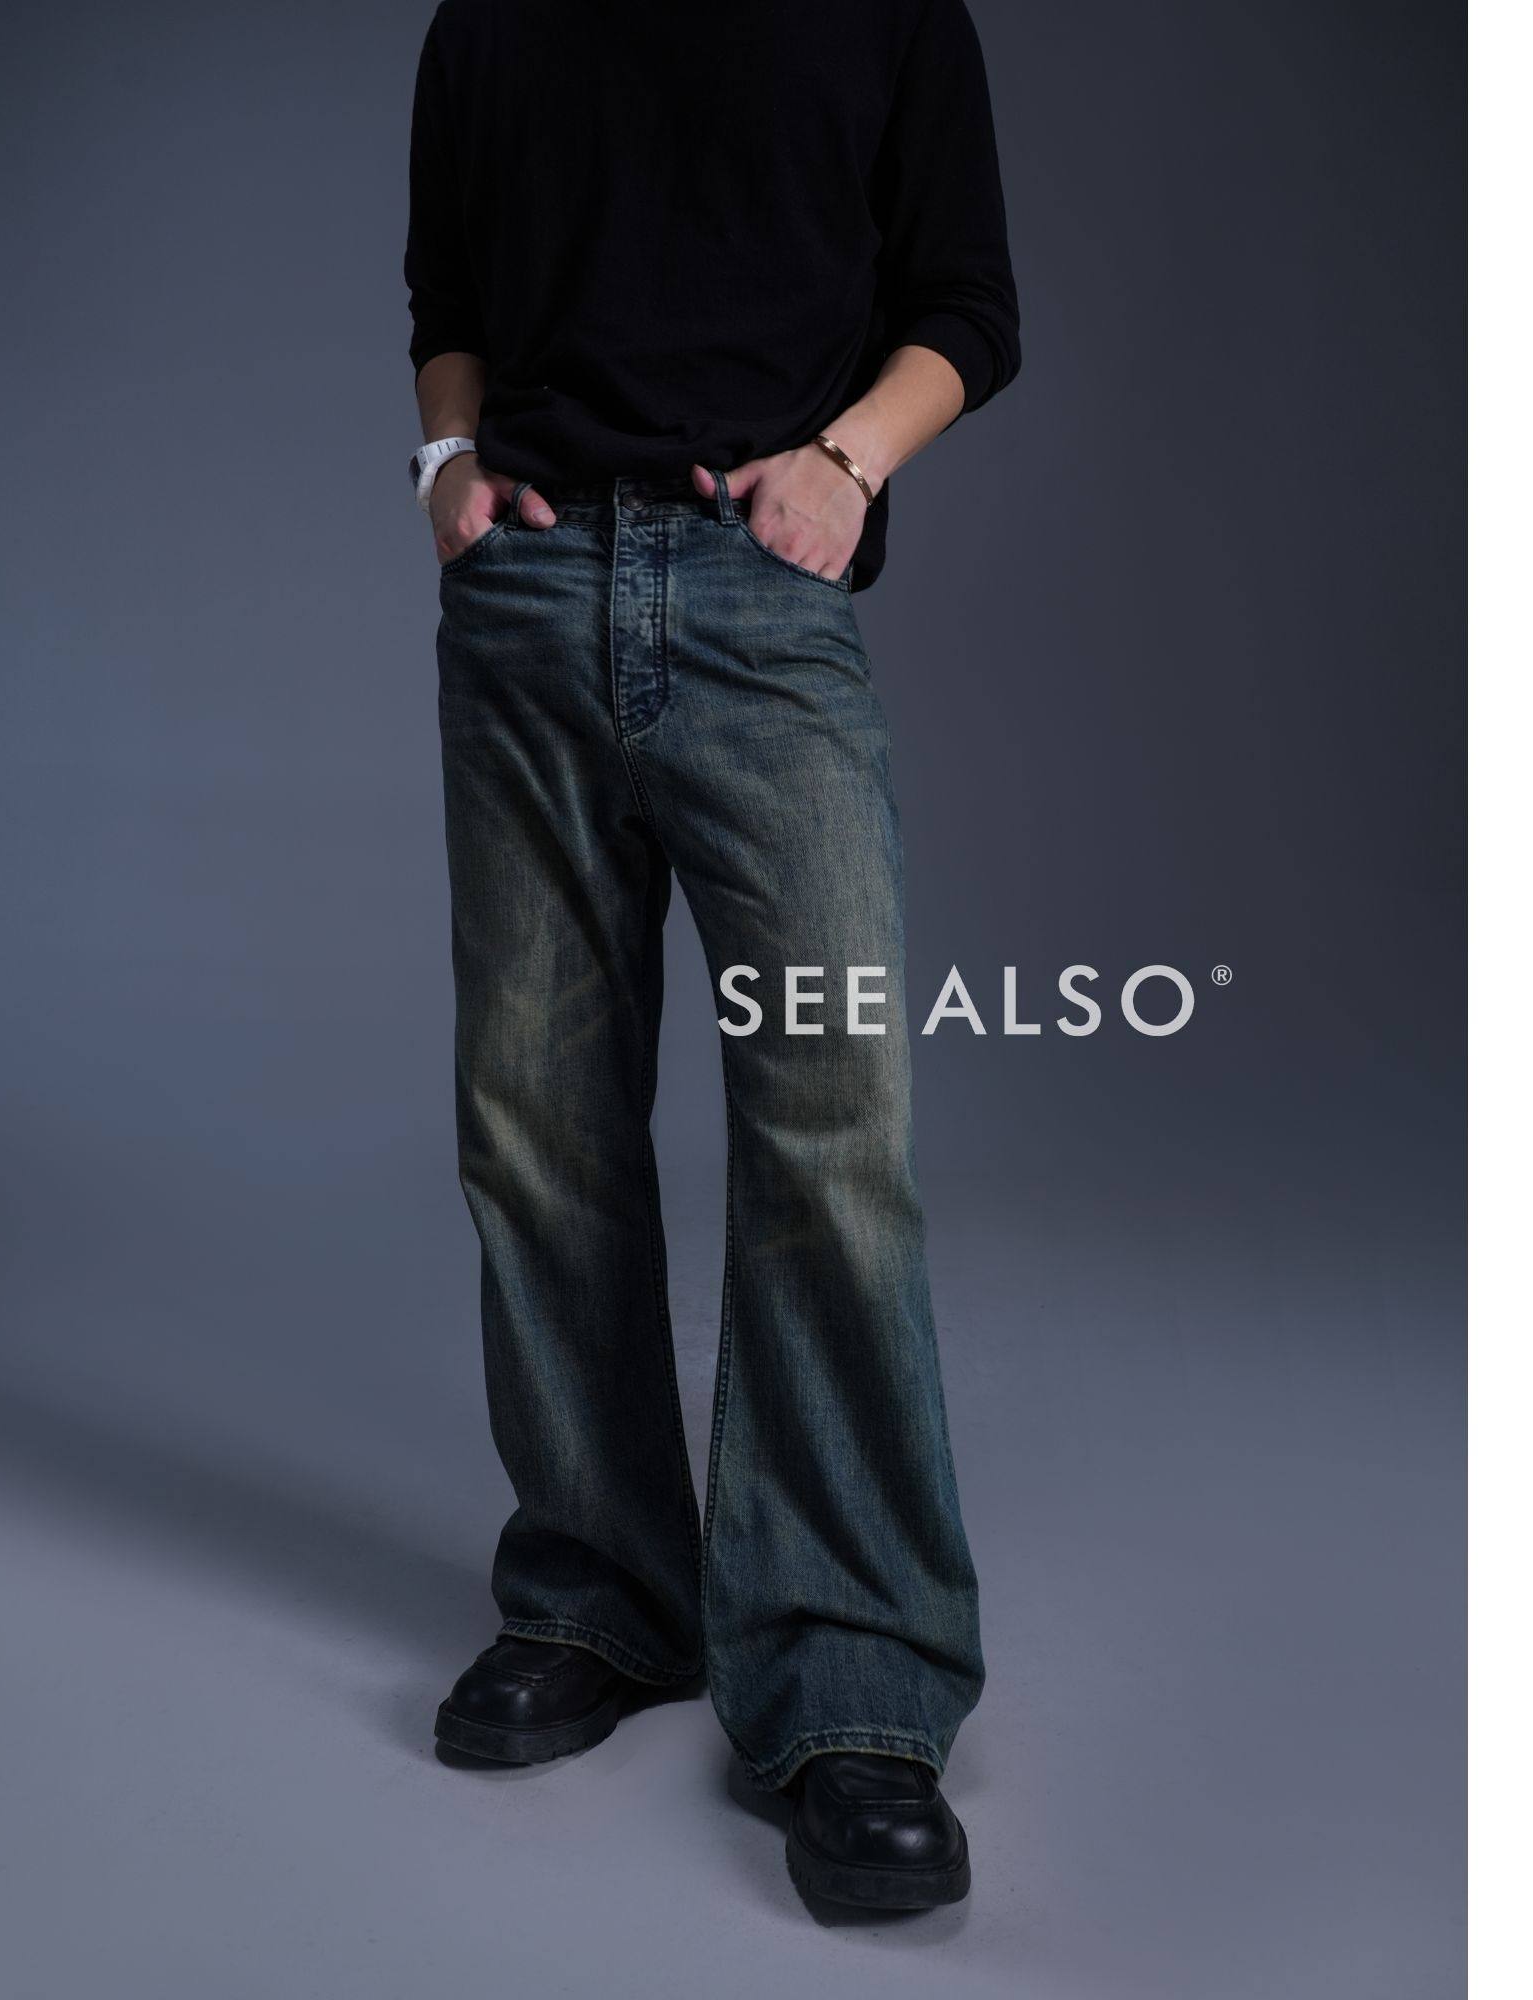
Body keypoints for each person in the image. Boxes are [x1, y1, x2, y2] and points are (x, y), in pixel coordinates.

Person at [405, 0, 1020, 1912]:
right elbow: (448, 294)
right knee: (537, 1124)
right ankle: (600, 1592)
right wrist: (443, 467)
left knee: (835, 1130)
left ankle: (856, 1684)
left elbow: (968, 308)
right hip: (528, 601)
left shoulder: (891, 12)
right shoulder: (488, 19)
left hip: (763, 593)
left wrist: (847, 461)